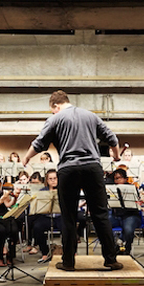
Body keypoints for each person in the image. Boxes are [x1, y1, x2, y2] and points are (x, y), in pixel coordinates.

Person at [23, 90, 122, 271]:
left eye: (52, 110)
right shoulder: (91, 116)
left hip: (68, 170)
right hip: (92, 168)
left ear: (55, 105)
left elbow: (38, 143)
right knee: (100, 214)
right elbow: (112, 138)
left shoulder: (55, 118)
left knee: (68, 216)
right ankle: (111, 259)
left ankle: (68, 262)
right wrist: (115, 156)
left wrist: (26, 158)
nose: (53, 113)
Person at [31, 169, 63, 261]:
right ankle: (45, 253)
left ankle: (71, 251)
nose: (53, 180)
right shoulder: (42, 191)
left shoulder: (62, 189)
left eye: (55, 178)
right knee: (37, 227)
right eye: (50, 179)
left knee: (68, 227)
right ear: (47, 181)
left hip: (59, 216)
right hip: (46, 216)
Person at [108, 168, 141, 255]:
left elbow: (138, 202)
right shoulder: (111, 189)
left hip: (131, 215)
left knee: (128, 230)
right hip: (116, 215)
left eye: (119, 178)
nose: (116, 180)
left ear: (125, 179)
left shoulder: (132, 188)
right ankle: (114, 246)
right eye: (115, 178)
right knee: (102, 225)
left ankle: (127, 248)